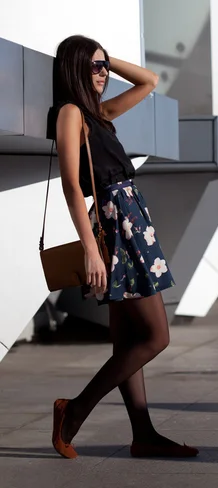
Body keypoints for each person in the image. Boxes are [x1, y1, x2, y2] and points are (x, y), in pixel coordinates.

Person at [48, 35, 198, 460]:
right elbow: (72, 186)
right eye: (93, 66)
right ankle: (73, 410)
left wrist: (109, 62)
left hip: (133, 222)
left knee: (129, 338)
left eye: (104, 66)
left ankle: (144, 435)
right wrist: (90, 251)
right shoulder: (70, 113)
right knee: (155, 336)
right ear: (75, 68)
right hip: (115, 228)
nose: (102, 74)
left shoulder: (98, 114)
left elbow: (149, 80)